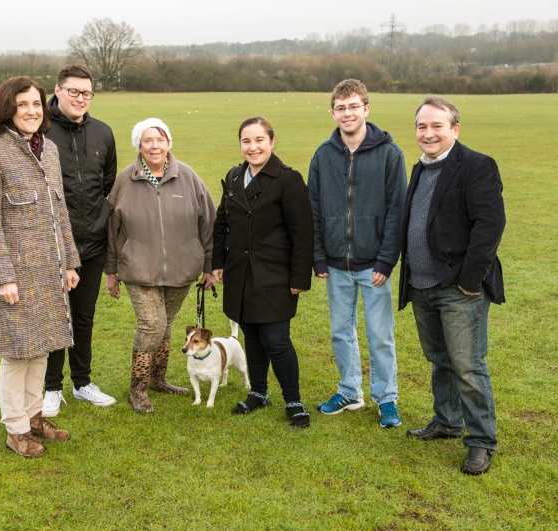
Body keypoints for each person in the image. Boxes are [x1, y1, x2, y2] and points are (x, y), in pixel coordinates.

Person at [0, 76, 79, 458]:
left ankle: (35, 418)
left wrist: (70, 262)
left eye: (36, 103)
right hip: (16, 273)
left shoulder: (49, 149)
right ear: (8, 108)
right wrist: (3, 277)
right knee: (17, 352)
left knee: (43, 347)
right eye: (23, 104)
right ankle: (15, 430)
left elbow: (60, 211)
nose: (32, 111)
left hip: (50, 269)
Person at [399, 96, 506, 475]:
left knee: (467, 365)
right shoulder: (421, 167)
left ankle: (481, 442)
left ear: (455, 129)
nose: (428, 133)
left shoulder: (477, 166)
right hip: (422, 285)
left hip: (459, 289)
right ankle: (446, 421)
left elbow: (489, 226)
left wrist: (469, 281)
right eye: (422, 126)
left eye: (437, 126)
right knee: (440, 360)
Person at [308, 79, 407, 428]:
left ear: (366, 108)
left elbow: (397, 210)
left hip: (374, 265)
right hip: (335, 264)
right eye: (340, 108)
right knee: (341, 331)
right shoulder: (323, 155)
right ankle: (349, 390)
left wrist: (386, 259)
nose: (347, 113)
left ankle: (387, 398)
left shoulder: (390, 154)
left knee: (380, 335)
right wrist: (318, 255)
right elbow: (313, 209)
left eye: (353, 106)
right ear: (333, 112)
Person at [104, 118, 216, 414]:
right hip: (137, 269)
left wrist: (209, 265)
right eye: (147, 140)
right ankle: (138, 388)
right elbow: (111, 230)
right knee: (151, 324)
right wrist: (111, 271)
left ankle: (158, 379)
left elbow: (209, 223)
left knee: (166, 323)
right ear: (139, 146)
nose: (154, 146)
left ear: (168, 143)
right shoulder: (125, 181)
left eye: (160, 139)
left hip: (182, 269)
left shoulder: (189, 177)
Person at [212, 116, 315, 428]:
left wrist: (299, 277)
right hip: (239, 273)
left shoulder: (288, 179)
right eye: (246, 141)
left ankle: (293, 401)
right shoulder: (234, 176)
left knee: (276, 340)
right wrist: (218, 262)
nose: (253, 147)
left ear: (272, 142)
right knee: (252, 337)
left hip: (274, 275)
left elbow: (303, 232)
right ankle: (258, 392)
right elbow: (222, 222)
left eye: (259, 140)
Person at [42, 65, 118, 417]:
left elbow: (107, 184)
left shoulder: (103, 132)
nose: (80, 98)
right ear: (58, 90)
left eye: (86, 93)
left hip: (93, 244)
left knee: (84, 317)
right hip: (53, 244)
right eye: (73, 91)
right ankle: (51, 388)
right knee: (57, 317)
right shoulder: (40, 131)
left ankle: (82, 382)